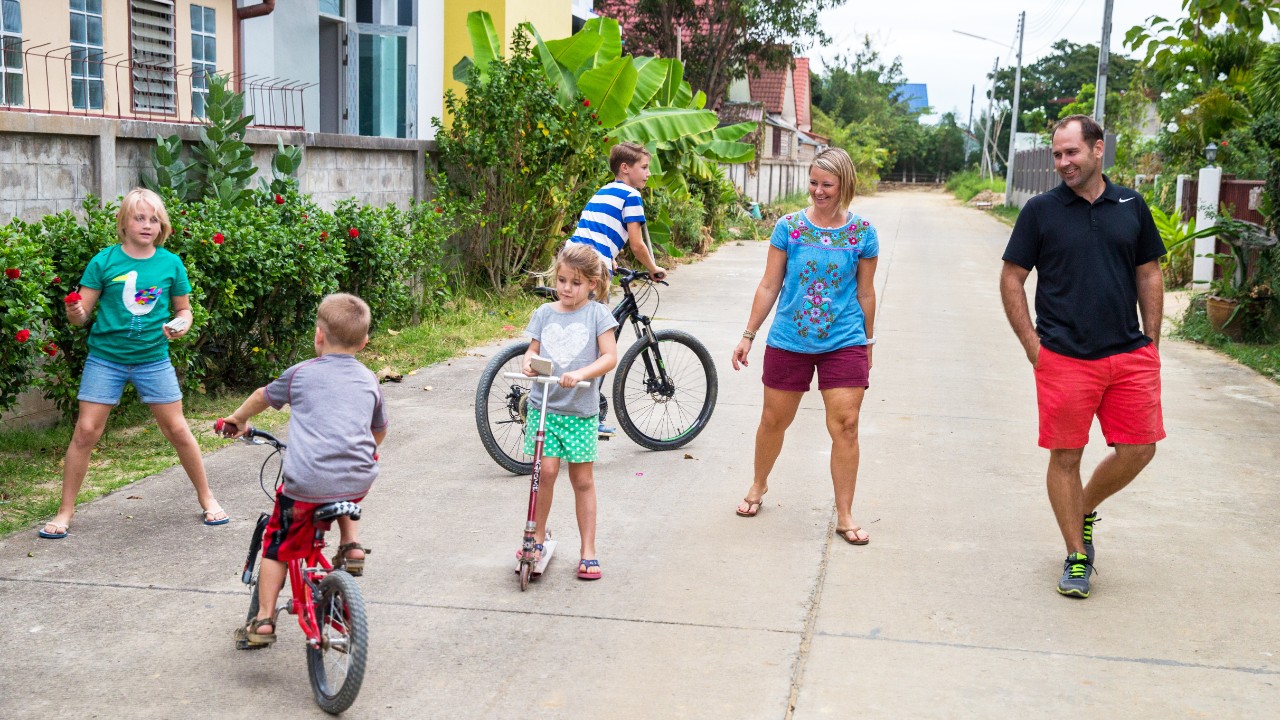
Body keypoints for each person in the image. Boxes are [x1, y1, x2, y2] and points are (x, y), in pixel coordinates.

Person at [999, 114, 1166, 599]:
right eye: (1057, 154)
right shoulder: (1041, 211)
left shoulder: (1131, 204)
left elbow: (1149, 273)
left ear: (1098, 150)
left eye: (1071, 152)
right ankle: (1076, 555)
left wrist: (1151, 343)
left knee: (1140, 449)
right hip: (1064, 356)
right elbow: (1012, 278)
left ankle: (1084, 507)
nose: (1062, 162)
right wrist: (1034, 346)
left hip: (1128, 353)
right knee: (1065, 455)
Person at [38, 187, 226, 539]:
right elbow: (82, 317)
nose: (147, 225)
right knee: (86, 432)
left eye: (154, 219)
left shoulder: (170, 263)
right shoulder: (104, 261)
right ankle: (65, 512)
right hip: (105, 360)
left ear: (162, 226)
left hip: (153, 360)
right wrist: (75, 311)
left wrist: (180, 325)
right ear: (124, 222)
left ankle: (208, 498)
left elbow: (183, 310)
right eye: (139, 217)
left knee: (178, 430)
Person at [220, 293, 388, 646]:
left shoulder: (300, 375)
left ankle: (264, 620)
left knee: (277, 546)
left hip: (307, 484)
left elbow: (261, 396)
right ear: (364, 342)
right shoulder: (369, 379)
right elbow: (379, 430)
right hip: (359, 477)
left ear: (318, 336)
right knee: (343, 488)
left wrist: (238, 419)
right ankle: (351, 543)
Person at [730, 147, 879, 546]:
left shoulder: (863, 233)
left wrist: (867, 340)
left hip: (843, 338)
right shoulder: (789, 228)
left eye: (826, 184)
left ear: (843, 184)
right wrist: (748, 334)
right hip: (789, 339)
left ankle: (845, 514)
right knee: (773, 420)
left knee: (846, 425)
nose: (818, 191)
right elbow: (769, 284)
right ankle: (759, 484)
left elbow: (865, 293)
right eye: (813, 183)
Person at [521, 243, 619, 580]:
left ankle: (588, 549)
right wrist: (529, 364)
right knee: (544, 472)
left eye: (575, 283)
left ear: (592, 283)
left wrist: (580, 373)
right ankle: (535, 536)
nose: (566, 288)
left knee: (581, 479)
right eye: (562, 280)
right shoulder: (544, 313)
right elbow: (532, 349)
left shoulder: (597, 315)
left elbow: (609, 356)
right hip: (545, 407)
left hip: (579, 411)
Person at [566, 140, 668, 284]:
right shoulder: (631, 195)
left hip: (569, 255)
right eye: (644, 167)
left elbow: (596, 229)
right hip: (592, 263)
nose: (649, 173)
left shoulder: (603, 191)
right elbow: (637, 245)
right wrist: (653, 268)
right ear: (625, 168)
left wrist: (611, 258)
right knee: (596, 307)